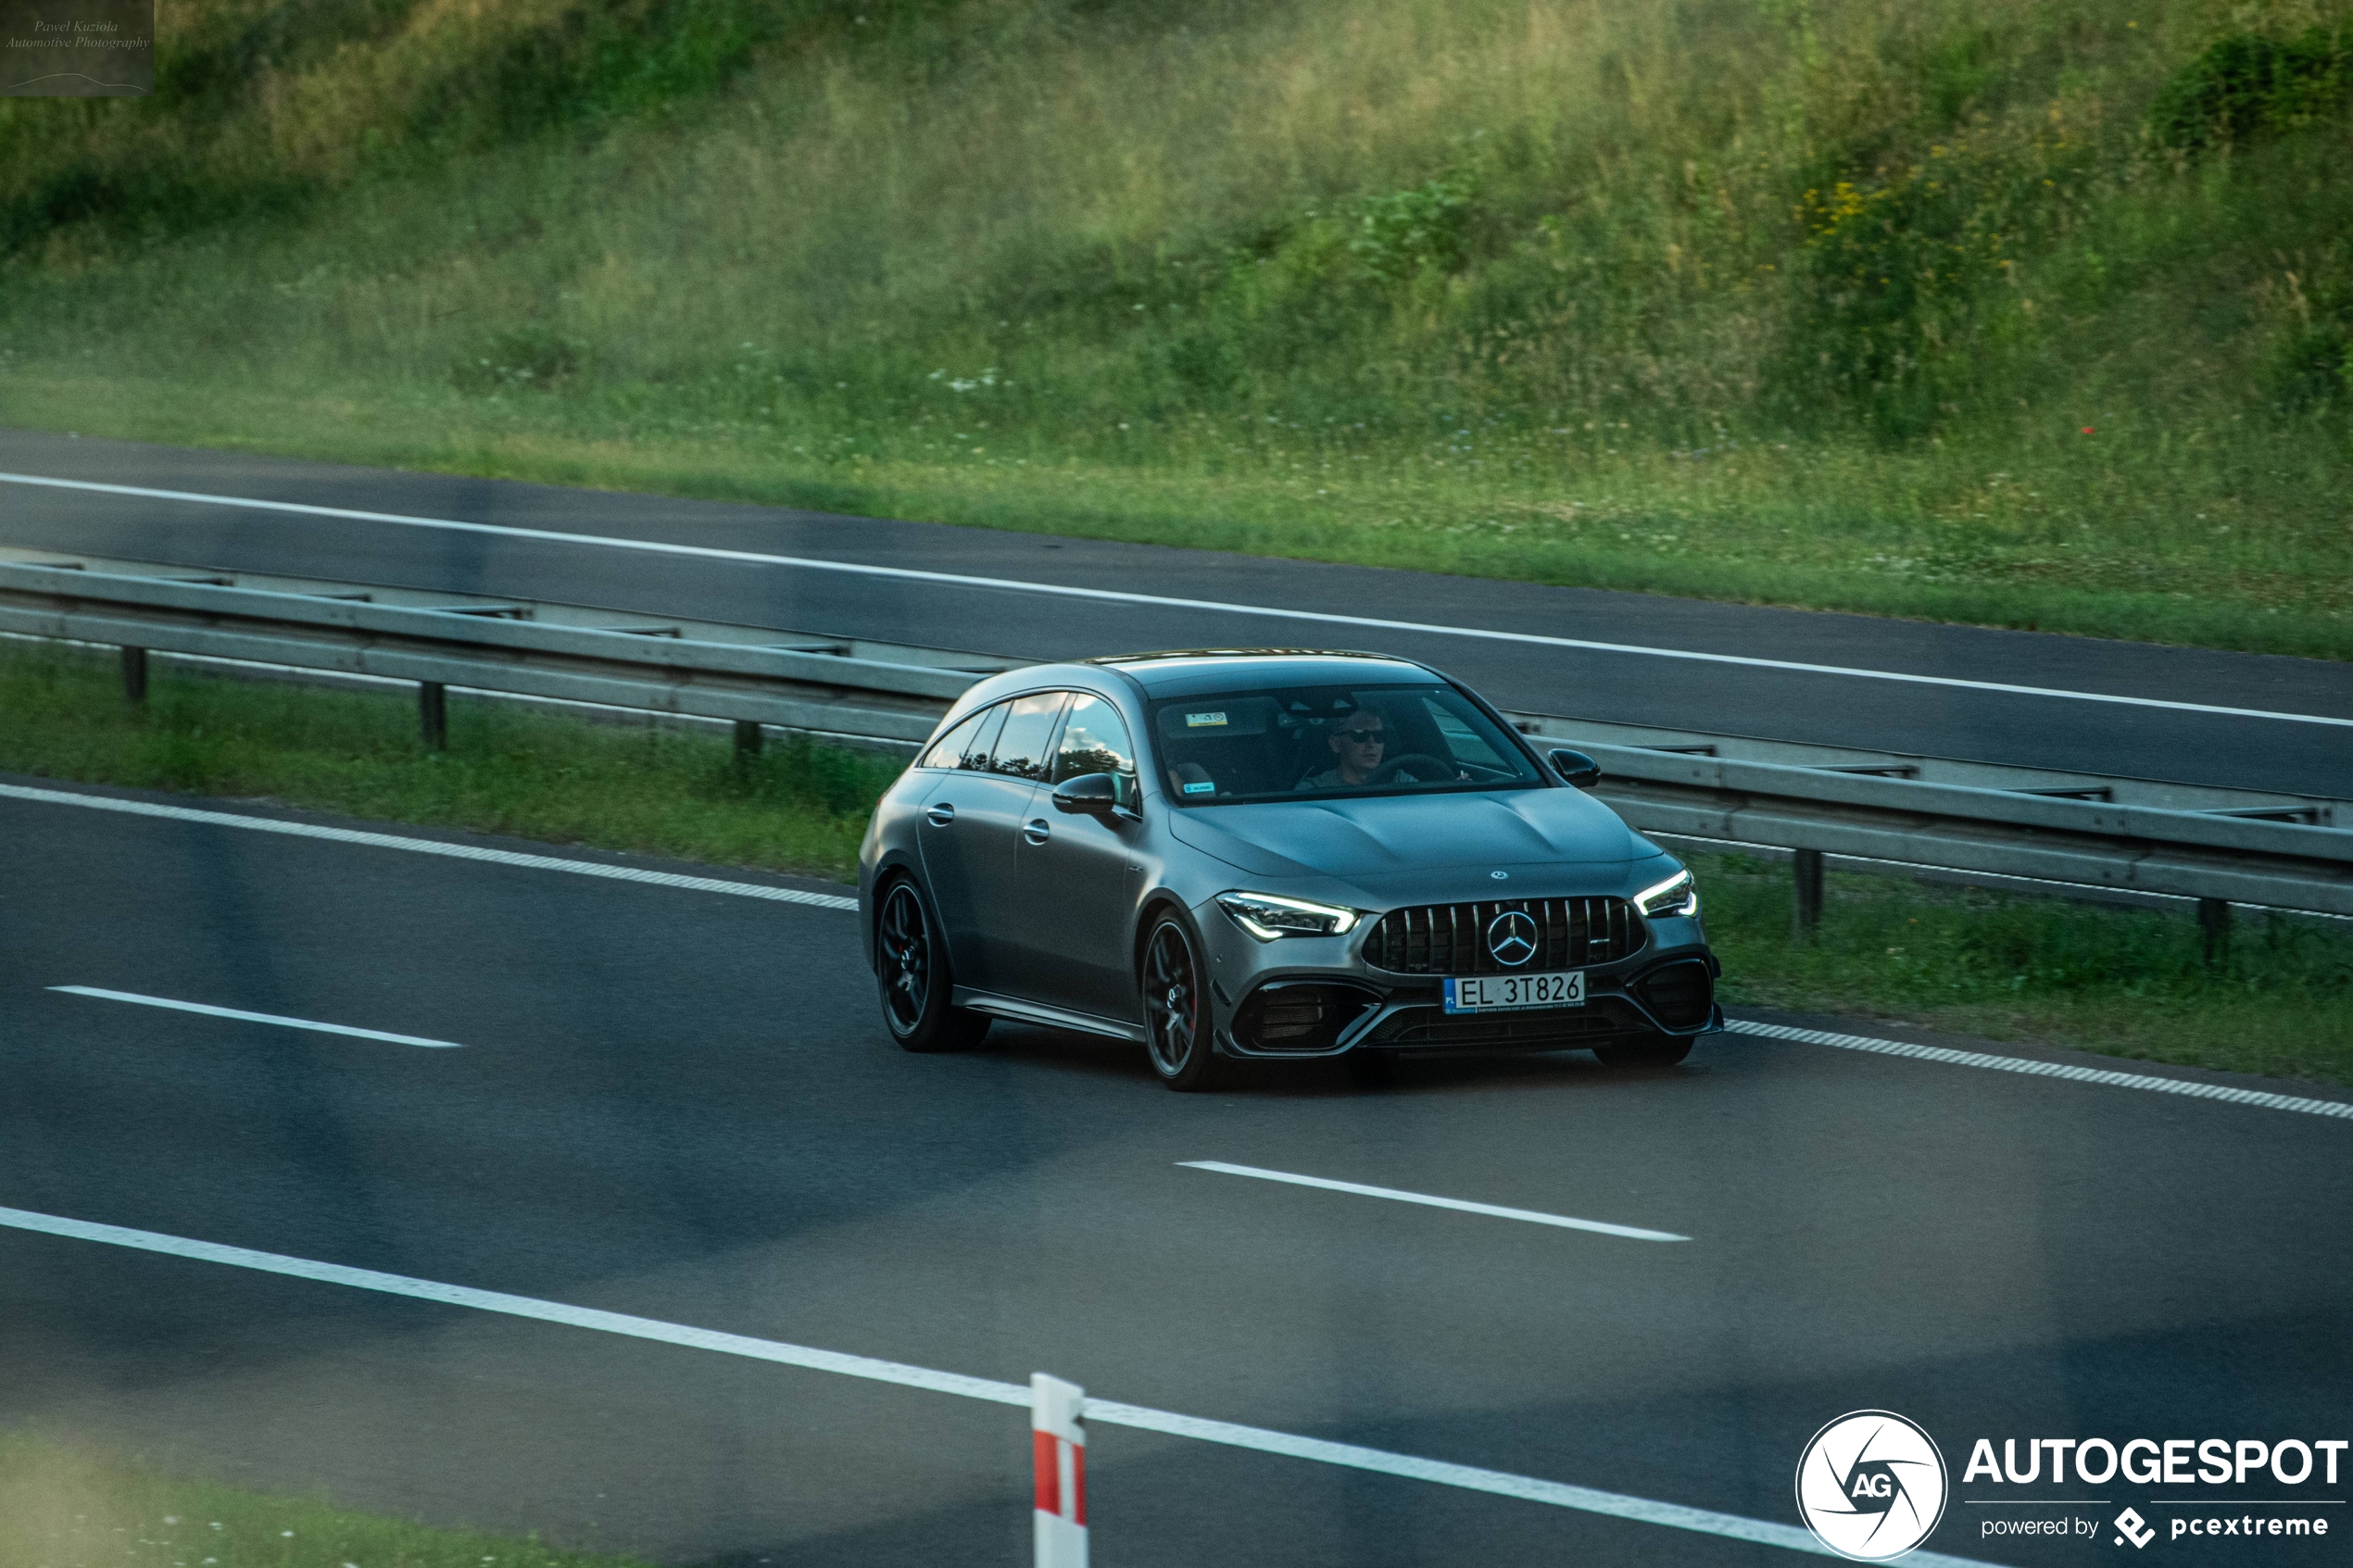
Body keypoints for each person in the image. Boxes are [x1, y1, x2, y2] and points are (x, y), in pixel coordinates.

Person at [1296, 709, 1391, 789]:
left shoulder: (1400, 781)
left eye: (1379, 736)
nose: (1372, 744)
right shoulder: (1313, 790)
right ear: (1336, 744)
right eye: (1360, 735)